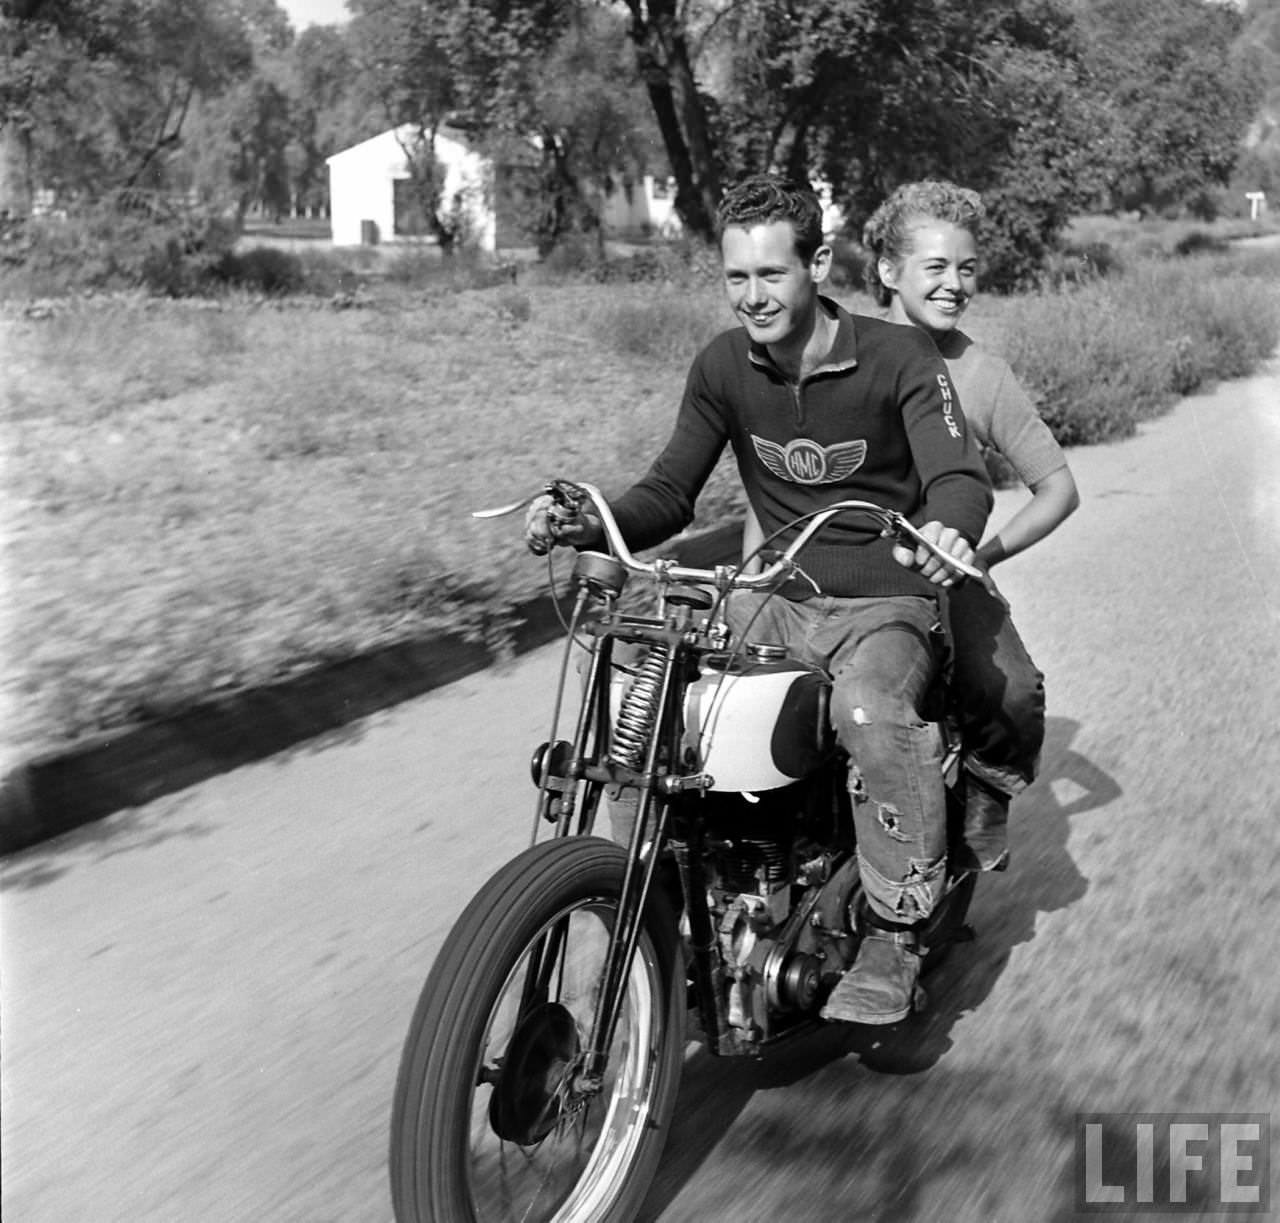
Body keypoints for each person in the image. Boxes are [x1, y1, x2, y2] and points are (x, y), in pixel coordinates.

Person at [526, 174, 993, 1025]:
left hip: (886, 602)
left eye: (771, 275)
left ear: (816, 264)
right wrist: (589, 519)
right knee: (653, 686)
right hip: (774, 593)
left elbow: (958, 476)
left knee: (866, 707)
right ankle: (630, 893)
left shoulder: (899, 359)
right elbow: (670, 491)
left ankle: (895, 929)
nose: (753, 297)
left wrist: (950, 530)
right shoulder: (722, 365)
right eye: (736, 277)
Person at [743, 179, 1079, 872]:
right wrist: (757, 571)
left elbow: (1059, 489)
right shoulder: (832, 350)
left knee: (1010, 690)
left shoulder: (982, 375)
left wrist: (979, 554)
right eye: (937, 267)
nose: (955, 284)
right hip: (827, 573)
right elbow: (773, 485)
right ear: (888, 272)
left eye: (967, 268)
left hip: (937, 577)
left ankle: (982, 795)